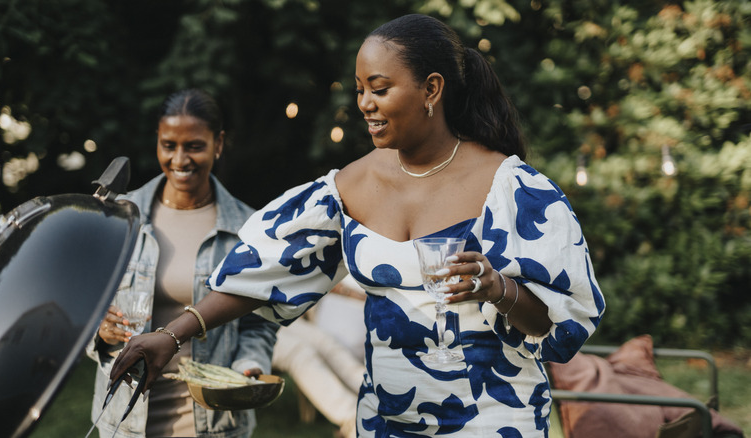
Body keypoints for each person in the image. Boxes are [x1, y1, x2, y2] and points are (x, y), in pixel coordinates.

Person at [111, 14, 606, 437]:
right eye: (360, 90)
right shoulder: (348, 187)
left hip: (494, 417)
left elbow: (561, 324)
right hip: (385, 419)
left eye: (380, 88)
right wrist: (171, 335)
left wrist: (498, 288)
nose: (364, 103)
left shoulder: (513, 188)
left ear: (432, 89)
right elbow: (262, 273)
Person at [86, 88, 279, 438]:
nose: (180, 159)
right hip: (125, 419)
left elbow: (259, 322)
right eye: (169, 145)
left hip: (212, 421)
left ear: (218, 143)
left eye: (194, 146)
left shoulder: (249, 229)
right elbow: (84, 304)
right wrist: (98, 330)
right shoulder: (121, 219)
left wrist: (249, 365)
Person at [271, 276, 367, 438]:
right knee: (299, 351)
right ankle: (355, 421)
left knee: (324, 341)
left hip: (265, 319)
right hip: (238, 333)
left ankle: (376, 396)